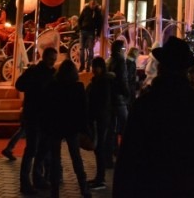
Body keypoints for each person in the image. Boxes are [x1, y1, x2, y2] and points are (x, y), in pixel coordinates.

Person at [113, 36, 194, 197]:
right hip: (190, 187)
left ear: (161, 67)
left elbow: (128, 158)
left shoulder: (145, 104)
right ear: (186, 70)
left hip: (150, 187)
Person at [41, 59, 88, 198]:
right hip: (71, 126)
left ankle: (54, 190)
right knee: (76, 158)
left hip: (55, 126)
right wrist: (84, 127)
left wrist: (46, 125)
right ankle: (83, 187)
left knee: (56, 159)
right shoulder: (78, 87)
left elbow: (46, 107)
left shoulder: (53, 86)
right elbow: (83, 109)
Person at [14, 46, 57, 195]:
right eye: (51, 59)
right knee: (33, 149)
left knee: (41, 149)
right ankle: (26, 182)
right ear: (44, 58)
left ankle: (37, 178)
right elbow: (19, 85)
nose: (53, 62)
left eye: (54, 59)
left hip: (42, 116)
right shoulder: (37, 73)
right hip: (35, 116)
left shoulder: (50, 73)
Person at [86, 56, 114, 191]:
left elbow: (101, 102)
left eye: (95, 67)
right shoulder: (97, 81)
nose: (93, 70)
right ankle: (99, 177)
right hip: (98, 118)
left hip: (100, 119)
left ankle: (100, 178)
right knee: (98, 149)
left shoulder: (103, 83)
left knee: (100, 148)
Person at [106, 39, 130, 162]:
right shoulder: (121, 61)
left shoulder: (110, 60)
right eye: (124, 49)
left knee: (111, 128)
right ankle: (123, 153)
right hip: (119, 98)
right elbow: (123, 79)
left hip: (111, 98)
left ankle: (110, 154)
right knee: (126, 125)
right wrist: (127, 94)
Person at [77, 0, 103, 71]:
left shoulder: (97, 12)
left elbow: (99, 24)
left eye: (93, 4)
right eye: (91, 4)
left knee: (90, 49)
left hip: (91, 32)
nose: (92, 5)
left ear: (96, 5)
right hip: (83, 31)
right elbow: (80, 19)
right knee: (81, 49)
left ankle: (88, 66)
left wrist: (98, 34)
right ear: (89, 4)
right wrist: (80, 28)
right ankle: (82, 65)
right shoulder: (85, 10)